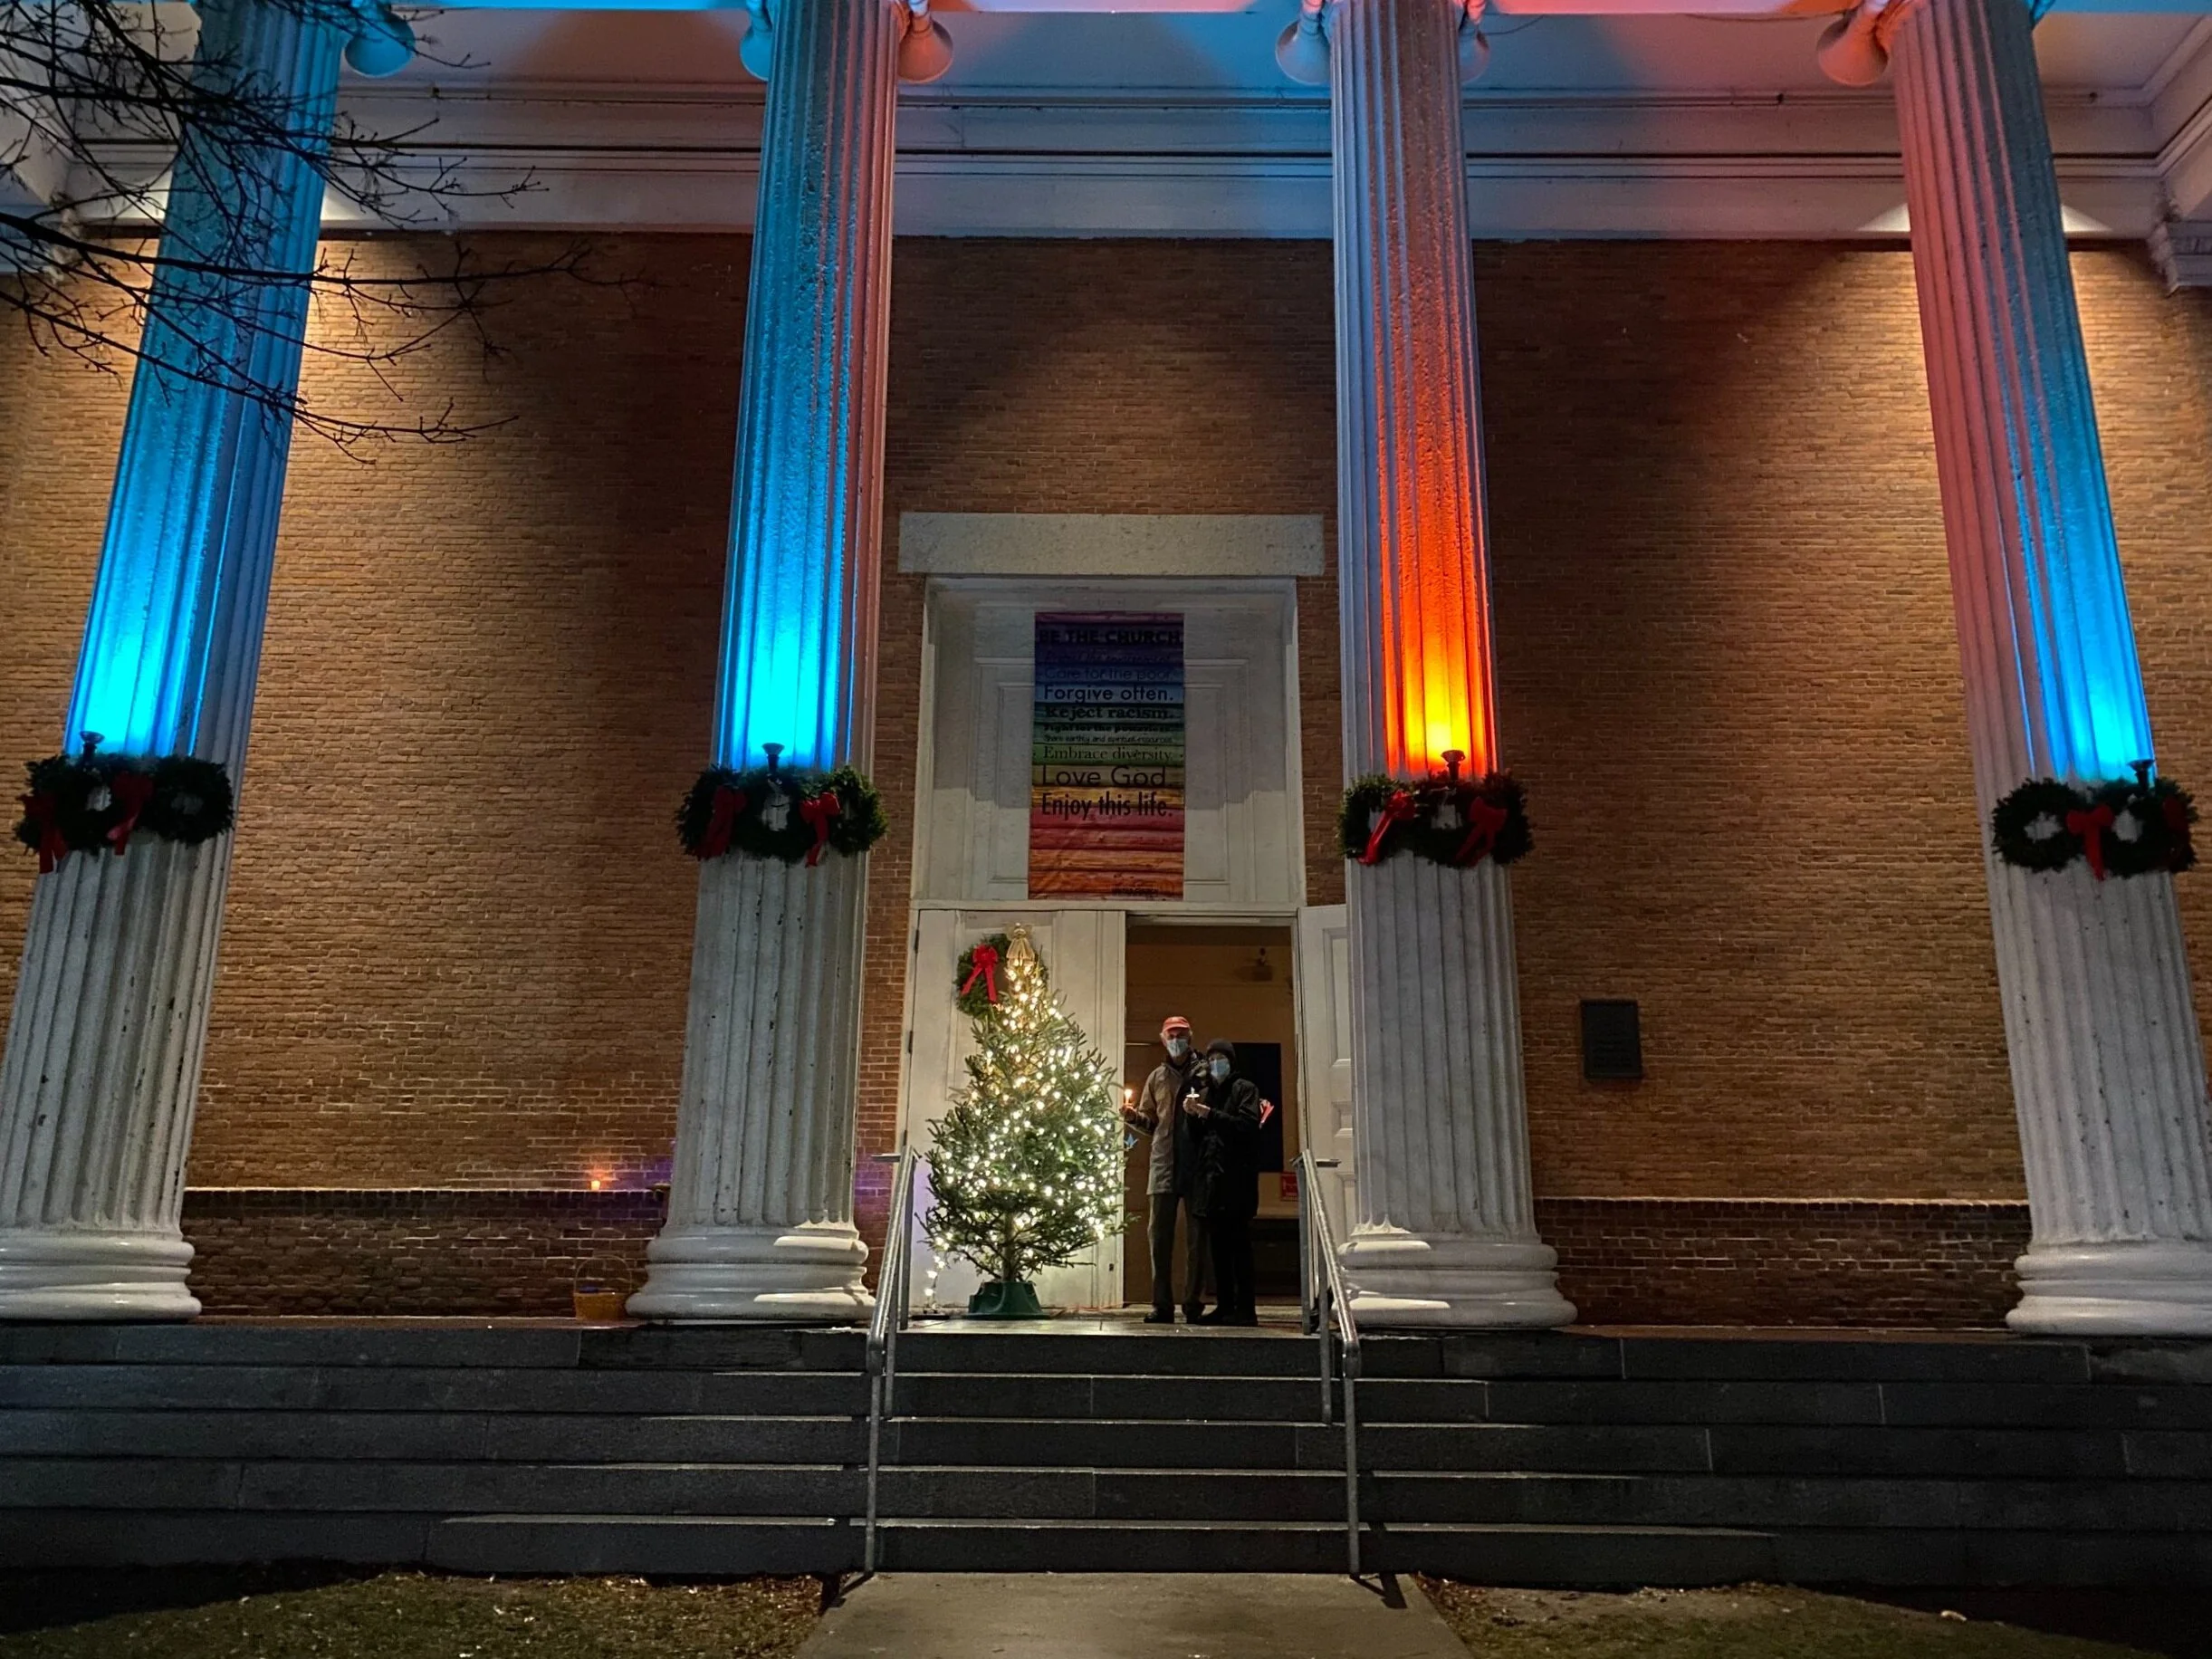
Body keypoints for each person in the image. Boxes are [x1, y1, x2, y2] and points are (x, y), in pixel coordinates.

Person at [1123, 1015, 1208, 1324]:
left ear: (1190, 1036)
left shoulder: (1204, 1074)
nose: (1176, 1039)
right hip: (1163, 1165)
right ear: (1162, 1039)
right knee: (1159, 1238)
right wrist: (1133, 1119)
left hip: (1196, 1165)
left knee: (1198, 1239)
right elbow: (1150, 1122)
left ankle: (1194, 1304)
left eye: (1182, 1034)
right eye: (1171, 1034)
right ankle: (1161, 1305)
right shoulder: (1155, 1078)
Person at [1186, 1038, 1263, 1327]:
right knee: (1218, 1248)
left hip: (1237, 1183)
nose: (1216, 1064)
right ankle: (1224, 1305)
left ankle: (1245, 1309)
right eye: (1212, 1059)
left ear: (1231, 1062)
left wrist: (1209, 1114)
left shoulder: (1245, 1089)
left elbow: (1246, 1126)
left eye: (1221, 1058)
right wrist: (1192, 1117)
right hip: (1211, 1182)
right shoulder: (1207, 1093)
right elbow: (1200, 1140)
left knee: (1239, 1249)